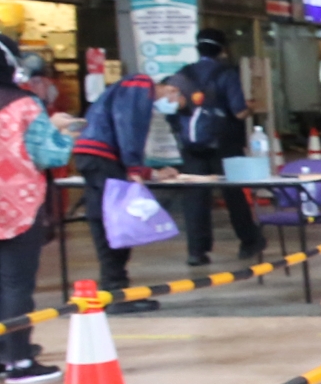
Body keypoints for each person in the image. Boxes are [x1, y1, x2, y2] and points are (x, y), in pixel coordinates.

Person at [0, 35, 78, 384]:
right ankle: (18, 359)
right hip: (18, 207)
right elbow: (51, 155)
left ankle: (4, 356)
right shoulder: (26, 105)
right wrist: (62, 129)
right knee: (16, 283)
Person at [72, 71, 182, 313]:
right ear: (169, 87)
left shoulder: (122, 88)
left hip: (93, 154)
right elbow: (128, 124)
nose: (173, 102)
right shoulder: (140, 83)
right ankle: (115, 292)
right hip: (103, 156)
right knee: (118, 221)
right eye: (175, 95)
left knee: (102, 217)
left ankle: (113, 288)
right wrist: (134, 167)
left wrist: (146, 172)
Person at [173, 29, 263, 266]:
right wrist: (252, 106)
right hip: (225, 143)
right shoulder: (226, 73)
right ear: (222, 49)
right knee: (233, 192)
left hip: (192, 145)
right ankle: (249, 240)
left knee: (195, 196)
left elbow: (174, 108)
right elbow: (239, 111)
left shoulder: (184, 74)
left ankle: (196, 251)